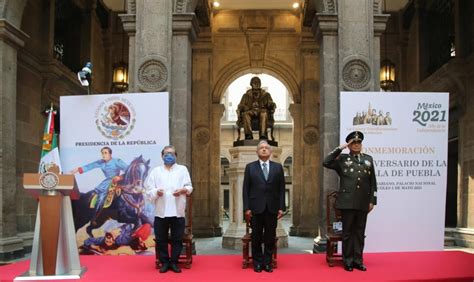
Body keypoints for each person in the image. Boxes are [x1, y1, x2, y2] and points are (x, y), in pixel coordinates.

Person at [322, 131, 377, 272]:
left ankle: (358, 260)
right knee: (347, 233)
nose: (357, 145)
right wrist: (340, 148)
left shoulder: (368, 159)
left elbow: (373, 183)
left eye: (359, 143)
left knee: (359, 233)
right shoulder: (342, 159)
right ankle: (348, 261)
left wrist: (372, 201)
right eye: (353, 143)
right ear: (349, 145)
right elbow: (326, 162)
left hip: (363, 202)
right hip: (347, 202)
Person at [145, 145, 193, 274]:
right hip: (161, 212)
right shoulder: (156, 171)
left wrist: (183, 190)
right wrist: (157, 192)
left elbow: (189, 187)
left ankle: (174, 262)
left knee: (177, 239)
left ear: (176, 156)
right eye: (166, 154)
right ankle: (165, 262)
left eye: (172, 154)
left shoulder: (182, 170)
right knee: (161, 239)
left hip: (178, 212)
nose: (169, 156)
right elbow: (149, 190)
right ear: (162, 156)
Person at [243, 140, 285, 273]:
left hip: (272, 208)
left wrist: (281, 207)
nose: (264, 149)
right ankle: (257, 262)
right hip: (255, 208)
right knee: (256, 237)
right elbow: (246, 189)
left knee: (269, 237)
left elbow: (281, 189)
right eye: (261, 148)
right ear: (257, 152)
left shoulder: (278, 167)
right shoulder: (250, 167)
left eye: (267, 148)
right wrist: (247, 208)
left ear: (270, 151)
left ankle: (267, 263)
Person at [71, 147, 128, 220]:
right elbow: (90, 166)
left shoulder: (117, 161)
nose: (103, 155)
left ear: (110, 154)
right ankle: (94, 215)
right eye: (102, 153)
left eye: (105, 153)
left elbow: (129, 170)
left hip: (117, 182)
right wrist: (77, 170)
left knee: (102, 196)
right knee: (97, 195)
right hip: (106, 183)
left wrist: (120, 177)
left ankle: (95, 216)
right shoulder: (101, 162)